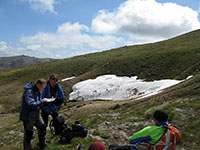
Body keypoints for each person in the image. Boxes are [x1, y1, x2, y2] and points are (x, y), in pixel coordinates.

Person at [109, 110, 181, 150]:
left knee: (113, 147)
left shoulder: (150, 130)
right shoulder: (173, 130)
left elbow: (132, 139)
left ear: (155, 119)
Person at [19, 79, 49, 150]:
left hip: (36, 114)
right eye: (43, 87)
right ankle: (27, 148)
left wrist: (44, 103)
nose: (43, 89)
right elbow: (30, 104)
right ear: (39, 85)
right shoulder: (29, 91)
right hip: (28, 116)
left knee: (42, 127)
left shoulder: (37, 90)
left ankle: (42, 144)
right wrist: (42, 101)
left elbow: (37, 102)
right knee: (29, 133)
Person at [41, 74, 65, 139]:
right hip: (45, 107)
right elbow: (41, 97)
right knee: (44, 124)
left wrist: (59, 102)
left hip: (53, 106)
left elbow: (62, 95)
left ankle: (58, 134)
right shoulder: (45, 87)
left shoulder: (57, 86)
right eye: (53, 80)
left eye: (55, 80)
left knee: (56, 121)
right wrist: (44, 103)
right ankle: (43, 139)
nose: (54, 82)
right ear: (50, 80)